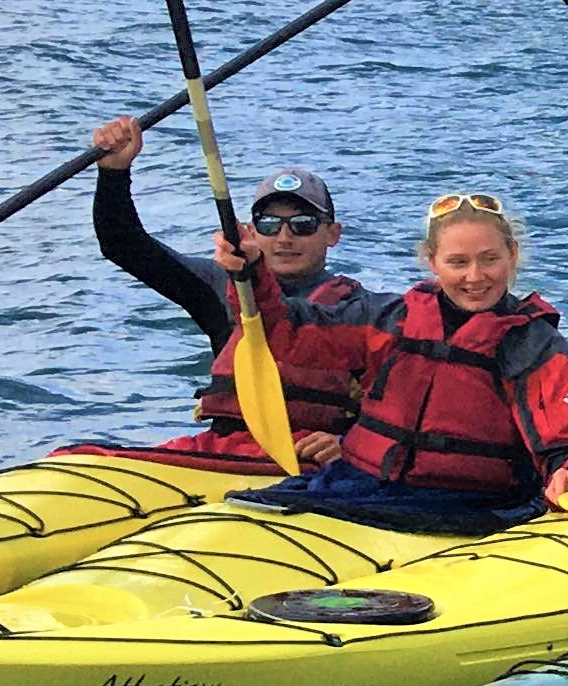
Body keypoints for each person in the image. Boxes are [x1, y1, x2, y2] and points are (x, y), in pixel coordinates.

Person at [226, 193, 568, 529]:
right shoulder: (392, 318)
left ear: (511, 255)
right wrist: (251, 274)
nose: (475, 276)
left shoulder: (533, 343)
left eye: (490, 259)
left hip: (470, 507)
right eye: (458, 262)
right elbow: (289, 334)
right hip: (356, 486)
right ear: (432, 262)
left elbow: (567, 438)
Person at [84, 118, 371, 466]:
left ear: (333, 234)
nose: (284, 238)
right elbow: (124, 245)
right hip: (221, 452)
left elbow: (400, 408)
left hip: (308, 460)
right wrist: (114, 172)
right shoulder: (219, 286)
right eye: (269, 224)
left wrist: (350, 443)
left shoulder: (361, 311)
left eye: (303, 225)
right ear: (250, 231)